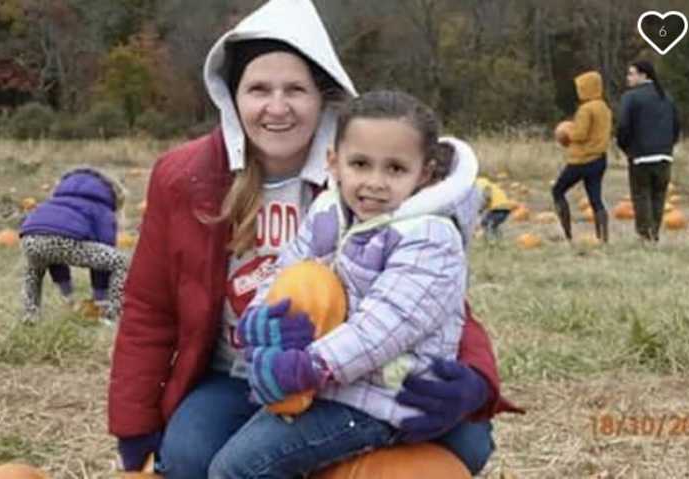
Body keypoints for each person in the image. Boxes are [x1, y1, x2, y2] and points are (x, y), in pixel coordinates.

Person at [108, 1, 519, 478]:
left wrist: (474, 379)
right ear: (232, 96)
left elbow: (427, 296)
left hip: (358, 372)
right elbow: (148, 308)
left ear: (322, 96)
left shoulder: (367, 169)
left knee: (465, 438)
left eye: (296, 90)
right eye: (259, 89)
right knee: (190, 460)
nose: (277, 107)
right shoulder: (184, 178)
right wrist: (133, 423)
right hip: (236, 373)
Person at [207, 90, 477, 478]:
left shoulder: (431, 237)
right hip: (331, 387)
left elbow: (383, 328)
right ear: (334, 163)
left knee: (239, 469)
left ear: (425, 173)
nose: (375, 182)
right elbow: (286, 270)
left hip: (387, 399)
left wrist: (310, 366)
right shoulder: (329, 213)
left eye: (396, 169)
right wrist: (259, 320)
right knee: (233, 458)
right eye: (361, 164)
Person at [19, 167, 128, 325]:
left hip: (29, 237)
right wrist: (100, 294)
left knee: (34, 272)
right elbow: (104, 245)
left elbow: (53, 250)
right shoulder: (101, 209)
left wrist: (65, 288)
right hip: (62, 241)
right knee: (119, 261)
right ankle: (111, 315)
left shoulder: (56, 201)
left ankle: (30, 314)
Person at [617, 60, 681, 242]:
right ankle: (655, 233)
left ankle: (645, 234)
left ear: (644, 75)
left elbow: (623, 126)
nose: (628, 78)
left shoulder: (631, 97)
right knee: (658, 196)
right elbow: (676, 126)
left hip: (641, 155)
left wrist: (626, 147)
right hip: (664, 154)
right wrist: (669, 145)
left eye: (631, 74)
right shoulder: (666, 96)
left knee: (641, 194)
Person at [551, 70, 612, 243]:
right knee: (595, 198)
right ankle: (603, 238)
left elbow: (580, 134)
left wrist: (566, 131)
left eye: (581, 87)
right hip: (599, 158)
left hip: (581, 160)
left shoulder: (586, 109)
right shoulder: (604, 107)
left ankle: (568, 235)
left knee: (558, 190)